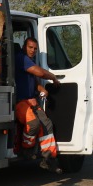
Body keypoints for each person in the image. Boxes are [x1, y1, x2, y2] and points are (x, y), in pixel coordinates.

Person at [14, 37, 61, 173]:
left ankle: (48, 158)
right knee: (34, 124)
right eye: (30, 47)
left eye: (35, 48)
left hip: (31, 101)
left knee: (47, 125)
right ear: (24, 47)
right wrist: (52, 77)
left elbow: (34, 81)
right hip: (20, 102)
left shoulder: (30, 61)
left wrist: (42, 89)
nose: (33, 50)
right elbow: (39, 72)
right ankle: (26, 149)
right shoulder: (21, 58)